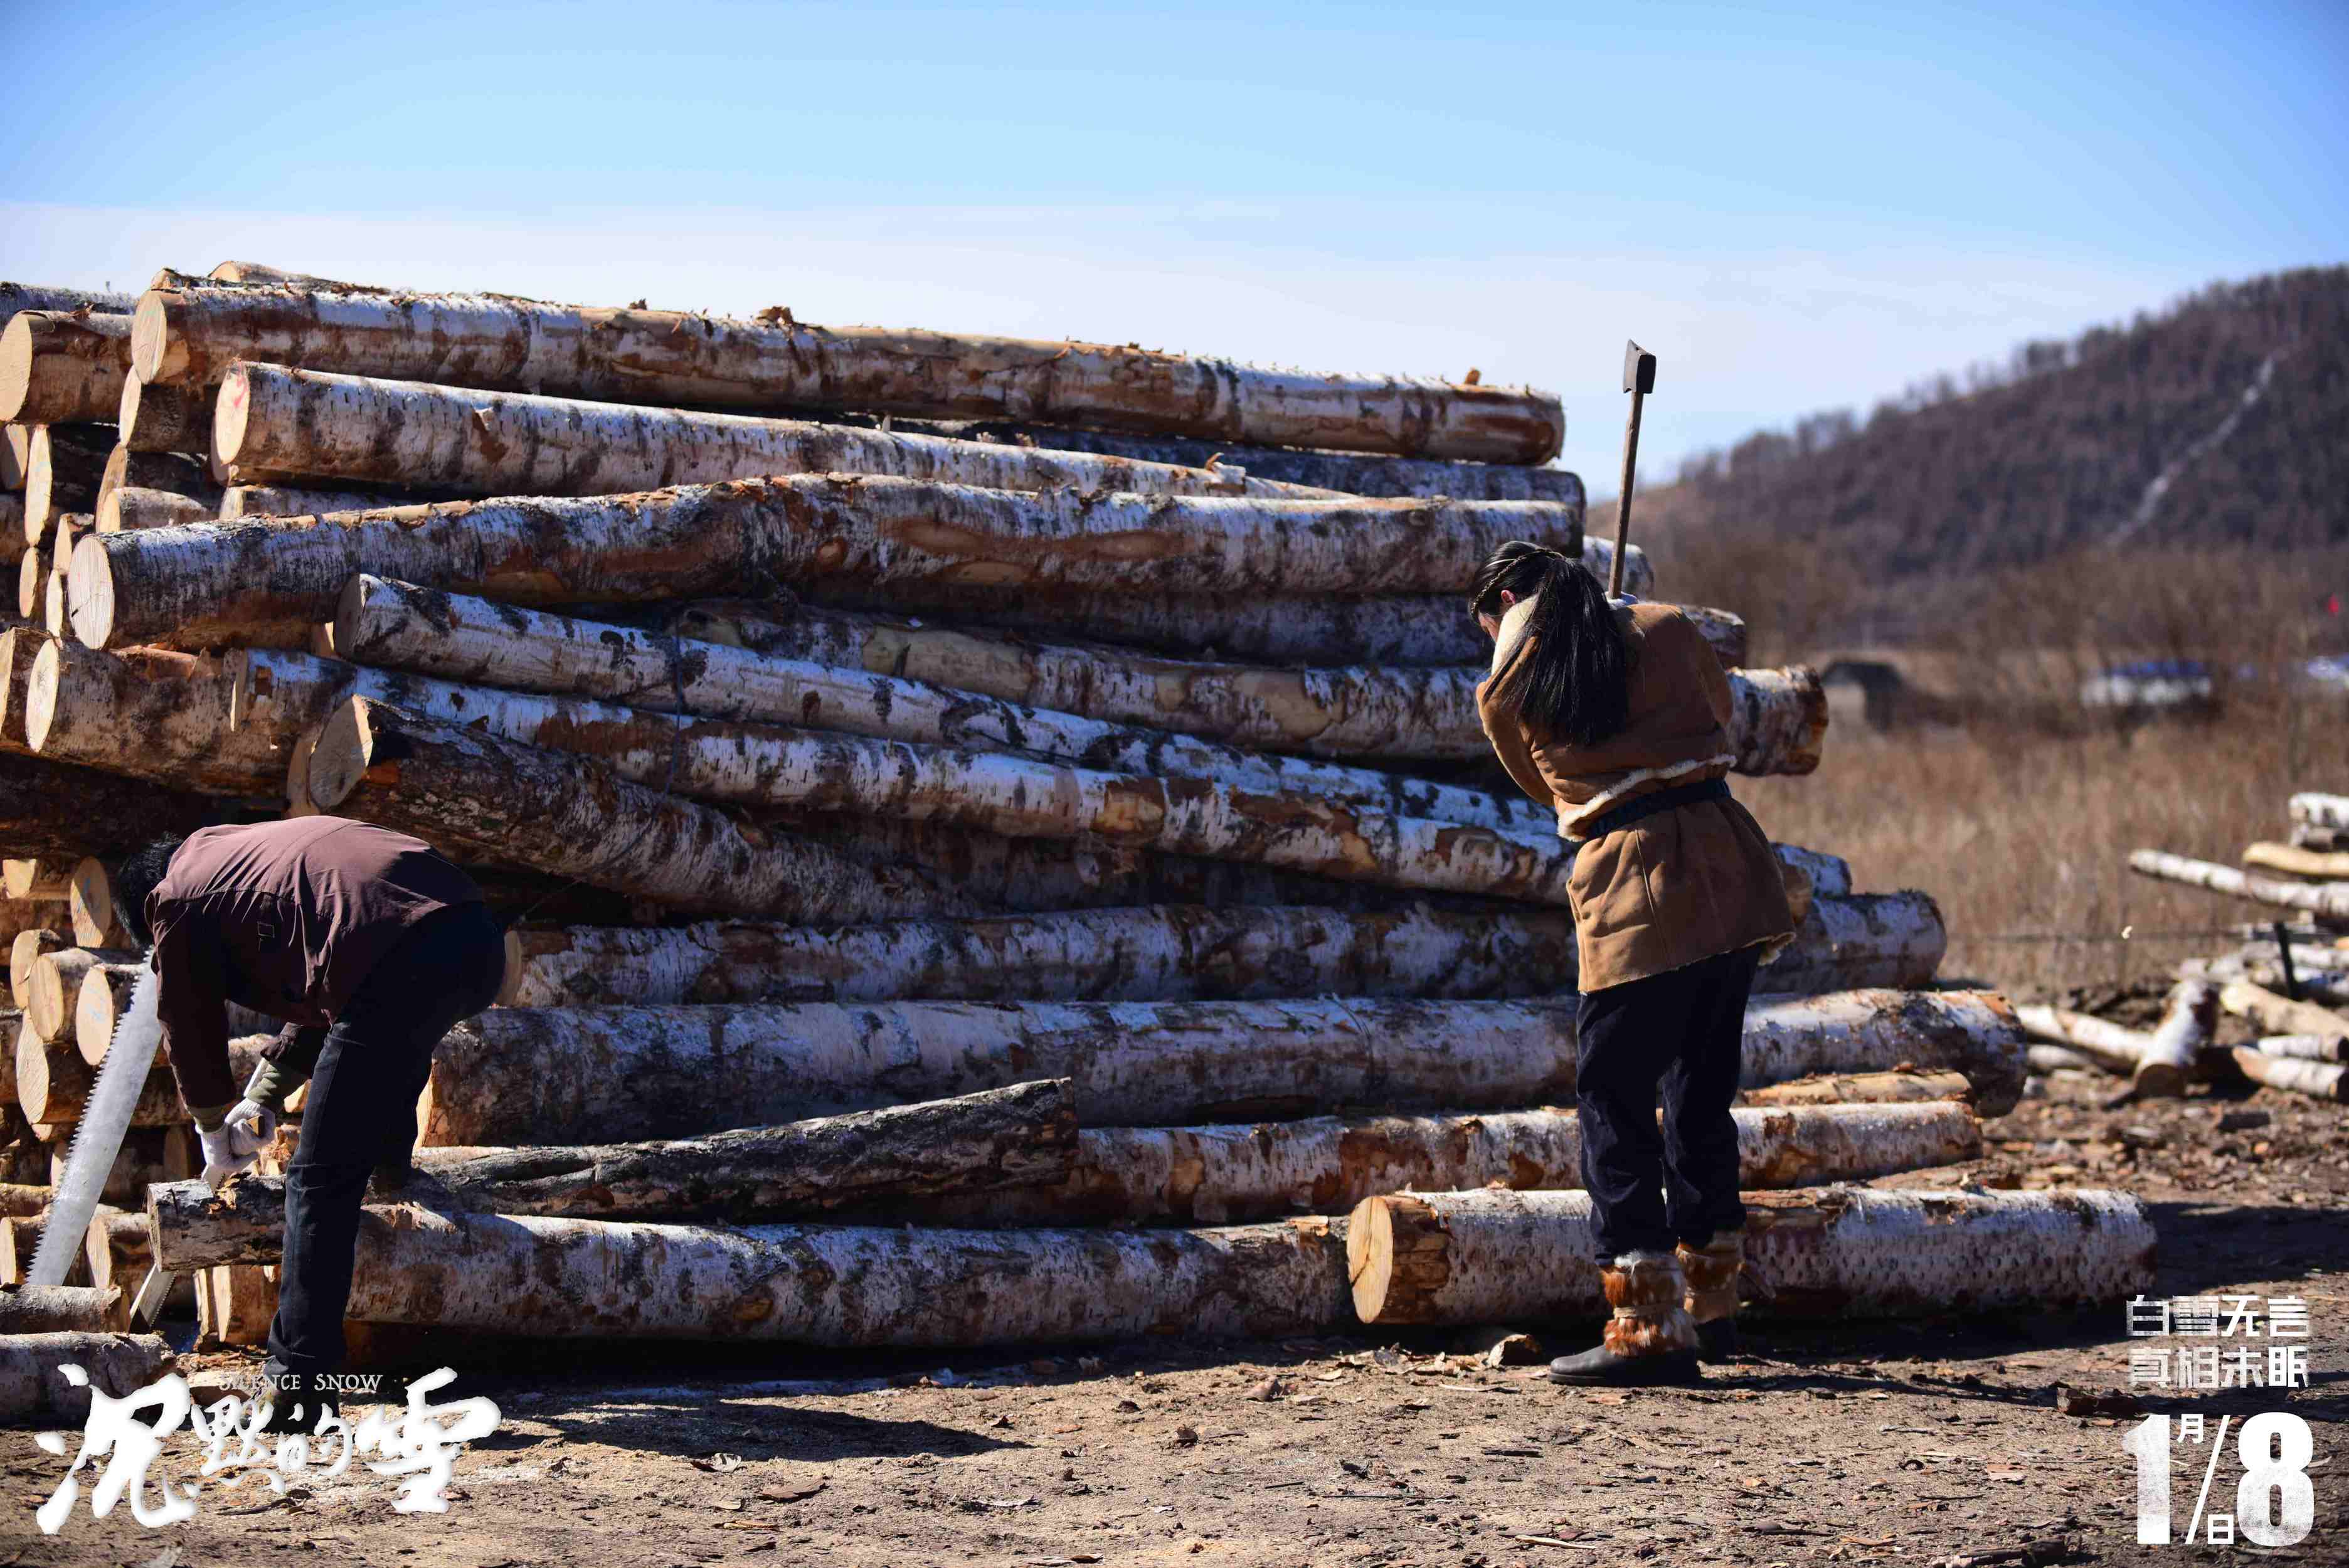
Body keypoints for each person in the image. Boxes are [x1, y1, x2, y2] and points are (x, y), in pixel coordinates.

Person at [1470, 541, 1796, 1386]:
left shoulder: (1515, 676)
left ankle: (1647, 1322)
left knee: (1612, 1096)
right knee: (1698, 1088)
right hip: (1728, 855)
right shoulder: (1670, 627)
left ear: (1508, 603)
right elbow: (1715, 707)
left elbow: (1535, 779)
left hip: (1634, 874)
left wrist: (1545, 636)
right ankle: (1713, 1306)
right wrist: (1626, 630)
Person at [113, 817, 507, 1431]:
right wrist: (265, 1095)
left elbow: (188, 1021)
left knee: (318, 1180)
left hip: (400, 957)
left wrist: (213, 1127)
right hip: (474, 939)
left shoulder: (176, 898)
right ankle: (394, 1187)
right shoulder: (236, 856)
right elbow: (337, 966)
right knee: (381, 1084)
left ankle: (298, 1385)